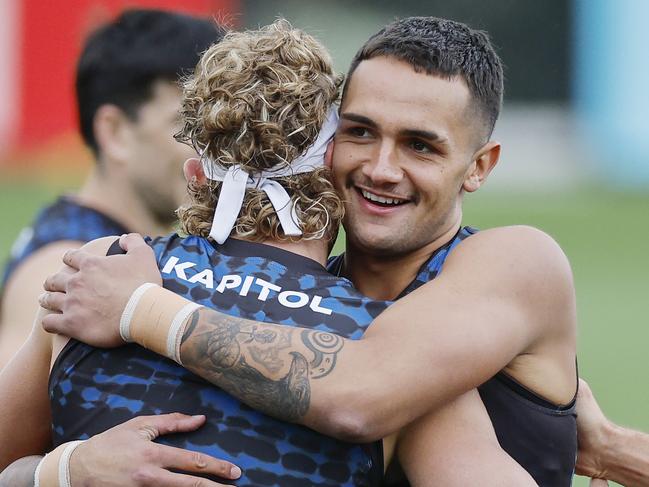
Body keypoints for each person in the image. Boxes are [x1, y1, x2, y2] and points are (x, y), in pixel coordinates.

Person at [26, 15, 585, 486]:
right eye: (361, 132)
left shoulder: (514, 261)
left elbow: (360, 391)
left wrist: (140, 310)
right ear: (325, 151)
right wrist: (65, 469)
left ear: (480, 166)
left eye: (420, 145)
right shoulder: (353, 311)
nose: (381, 169)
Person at [0, 9, 225, 368]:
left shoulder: (104, 252)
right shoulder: (66, 271)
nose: (216, 150)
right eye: (189, 124)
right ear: (115, 132)